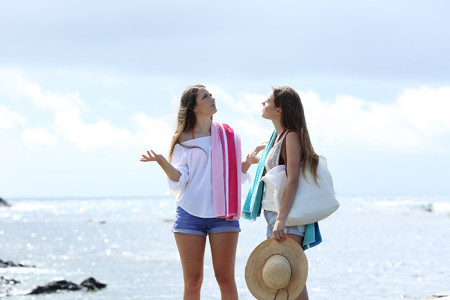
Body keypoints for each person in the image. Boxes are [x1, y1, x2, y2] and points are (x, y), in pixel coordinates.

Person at [140, 84, 256, 300]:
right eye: (205, 96)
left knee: (226, 280)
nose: (212, 98)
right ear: (194, 107)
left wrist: (247, 164)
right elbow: (180, 179)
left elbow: (232, 176)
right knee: (193, 283)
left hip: (223, 216)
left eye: (211, 94)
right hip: (189, 215)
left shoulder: (227, 135)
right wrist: (162, 161)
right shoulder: (183, 139)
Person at [243, 86, 322, 300]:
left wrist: (281, 219)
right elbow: (278, 171)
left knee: (291, 279)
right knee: (284, 282)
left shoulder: (291, 137)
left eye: (267, 101)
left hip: (286, 216)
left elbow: (293, 179)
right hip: (276, 215)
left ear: (279, 110)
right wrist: (258, 159)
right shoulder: (277, 137)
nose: (263, 103)